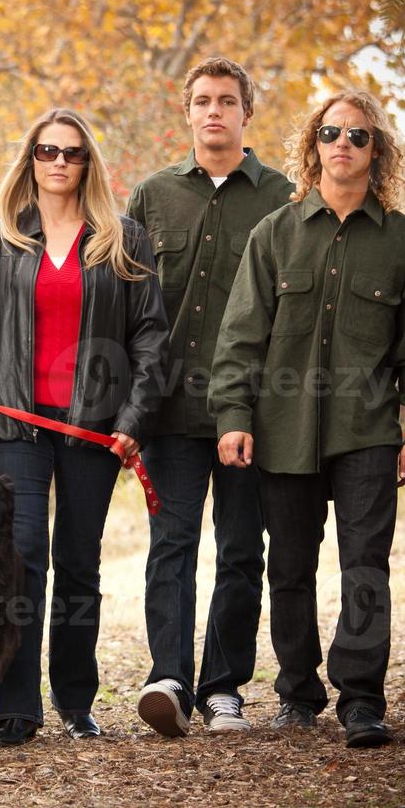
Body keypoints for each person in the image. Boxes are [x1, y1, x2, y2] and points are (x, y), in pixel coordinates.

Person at [210, 89, 405, 749]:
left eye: (357, 135)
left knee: (364, 566)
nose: (341, 144)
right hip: (281, 430)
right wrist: (232, 415)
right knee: (287, 567)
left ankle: (362, 699)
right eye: (329, 133)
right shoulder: (274, 235)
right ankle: (295, 692)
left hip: (366, 433)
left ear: (378, 152)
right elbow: (237, 338)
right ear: (312, 146)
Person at [0, 108, 169, 746]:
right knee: (21, 561)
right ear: (29, 160)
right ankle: (17, 709)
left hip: (93, 428)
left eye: (73, 153)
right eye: (46, 151)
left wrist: (135, 418)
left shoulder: (123, 241)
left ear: (89, 164)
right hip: (13, 427)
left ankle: (76, 701)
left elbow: (149, 339)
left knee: (79, 563)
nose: (59, 162)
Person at [126, 57, 294, 736]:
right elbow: (128, 305)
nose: (213, 111)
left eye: (226, 100)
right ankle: (167, 675)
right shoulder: (151, 196)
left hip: (249, 414)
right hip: (166, 410)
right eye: (201, 101)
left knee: (239, 550)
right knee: (171, 544)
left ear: (246, 113)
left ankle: (222, 687)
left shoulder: (282, 198)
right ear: (186, 112)